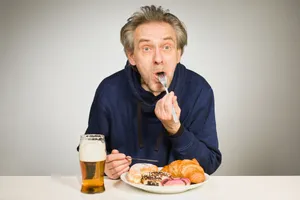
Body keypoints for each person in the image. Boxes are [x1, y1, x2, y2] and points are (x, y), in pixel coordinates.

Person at [81, 5, 222, 180]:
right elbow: (89, 147)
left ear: (179, 53)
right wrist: (104, 166)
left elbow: (209, 165)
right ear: (131, 56)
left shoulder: (199, 90)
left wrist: (175, 129)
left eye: (167, 47)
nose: (158, 59)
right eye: (147, 48)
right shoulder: (109, 90)